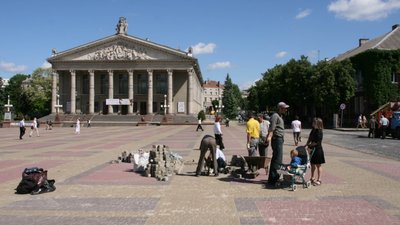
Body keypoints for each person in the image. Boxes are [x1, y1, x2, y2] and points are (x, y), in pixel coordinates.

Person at [266, 102, 289, 187]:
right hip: (277, 139)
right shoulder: (275, 116)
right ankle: (273, 179)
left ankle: (274, 177)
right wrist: (269, 137)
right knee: (277, 159)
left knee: (278, 158)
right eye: (284, 108)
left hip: (279, 139)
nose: (286, 109)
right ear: (280, 108)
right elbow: (272, 128)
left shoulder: (279, 116)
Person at [305, 117, 326, 186]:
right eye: (313, 122)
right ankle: (312, 177)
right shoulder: (313, 130)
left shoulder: (319, 131)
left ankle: (319, 179)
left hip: (317, 149)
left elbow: (316, 142)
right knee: (312, 164)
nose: (313, 123)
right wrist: (306, 144)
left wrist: (310, 145)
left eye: (314, 122)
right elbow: (310, 138)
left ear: (318, 124)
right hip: (312, 149)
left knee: (318, 165)